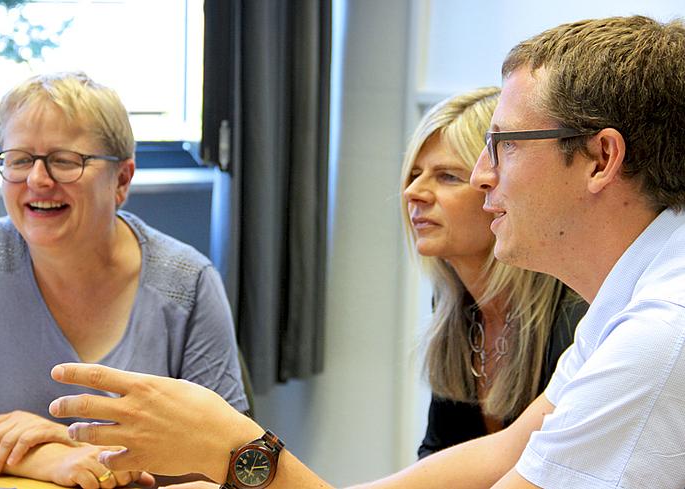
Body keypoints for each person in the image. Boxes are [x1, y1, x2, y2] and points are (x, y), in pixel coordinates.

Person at [48, 15, 685, 489]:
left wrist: (237, 452)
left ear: (602, 159)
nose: (486, 175)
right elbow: (506, 451)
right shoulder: (624, 302)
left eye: (506, 145)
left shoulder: (658, 337)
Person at [0, 72, 247, 488]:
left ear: (121, 180)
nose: (37, 179)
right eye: (19, 159)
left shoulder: (189, 283)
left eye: (65, 160)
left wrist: (77, 448)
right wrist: (46, 456)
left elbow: (228, 459)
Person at [400, 87, 586, 458]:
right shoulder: (457, 301)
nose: (413, 193)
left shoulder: (573, 313)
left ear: (497, 189)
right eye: (415, 173)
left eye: (448, 177)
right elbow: (438, 454)